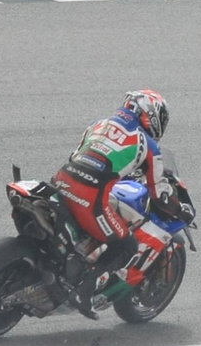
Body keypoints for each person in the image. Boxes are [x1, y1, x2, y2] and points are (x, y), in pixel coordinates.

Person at [51, 89, 191, 289]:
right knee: (126, 245)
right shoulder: (147, 143)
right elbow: (159, 196)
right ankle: (84, 291)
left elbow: (77, 156)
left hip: (61, 181)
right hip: (90, 197)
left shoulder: (98, 125)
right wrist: (180, 210)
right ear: (151, 115)